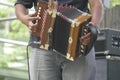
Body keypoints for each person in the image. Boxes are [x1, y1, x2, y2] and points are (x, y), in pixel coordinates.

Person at [15, 0, 103, 80]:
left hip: (79, 45)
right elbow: (20, 3)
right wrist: (24, 18)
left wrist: (93, 27)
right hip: (41, 45)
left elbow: (96, 4)